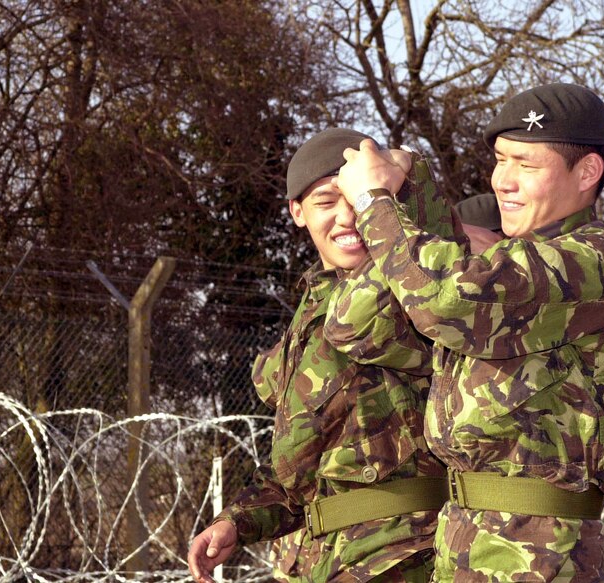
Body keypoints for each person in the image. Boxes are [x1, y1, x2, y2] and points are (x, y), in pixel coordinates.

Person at [327, 83, 604, 581]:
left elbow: (442, 301)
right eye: (501, 160)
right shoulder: (496, 269)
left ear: (587, 172)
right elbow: (355, 330)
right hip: (464, 539)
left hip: (541, 554)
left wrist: (376, 203)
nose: (504, 181)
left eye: (527, 164)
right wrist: (412, 189)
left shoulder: (594, 263)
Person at [187, 128, 449, 583]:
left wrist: (406, 168)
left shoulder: (414, 292)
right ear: (297, 212)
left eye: (357, 198)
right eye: (327, 202)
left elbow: (441, 249)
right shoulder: (306, 318)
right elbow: (299, 473)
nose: (348, 218)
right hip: (320, 562)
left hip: (403, 554)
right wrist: (237, 522)